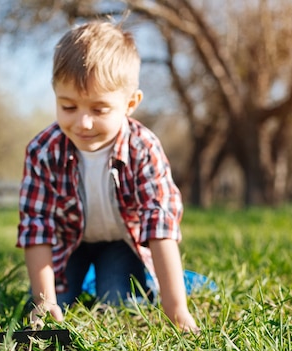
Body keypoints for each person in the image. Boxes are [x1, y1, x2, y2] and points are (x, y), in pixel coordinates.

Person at [16, 20, 198, 332]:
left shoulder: (143, 149)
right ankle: (74, 282)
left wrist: (176, 310)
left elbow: (160, 223)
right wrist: (44, 300)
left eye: (99, 110)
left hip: (120, 242)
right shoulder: (43, 151)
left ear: (130, 104)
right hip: (68, 244)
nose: (83, 123)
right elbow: (37, 226)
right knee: (60, 298)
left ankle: (137, 282)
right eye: (68, 106)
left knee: (117, 303)